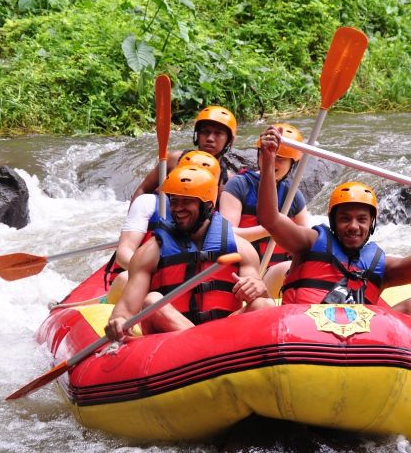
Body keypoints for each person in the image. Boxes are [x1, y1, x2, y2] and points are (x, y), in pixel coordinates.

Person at [255, 125, 411, 319]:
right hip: (301, 335)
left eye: (362, 219)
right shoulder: (309, 243)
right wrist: (268, 162)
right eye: (345, 219)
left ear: (372, 223)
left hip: (361, 348)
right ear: (333, 222)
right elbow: (270, 218)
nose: (354, 226)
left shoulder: (381, 267)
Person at [106, 165, 274, 341]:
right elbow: (124, 311)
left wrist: (260, 289)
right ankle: (203, 345)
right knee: (152, 301)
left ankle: (207, 347)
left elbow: (258, 297)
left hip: (223, 335)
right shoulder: (150, 252)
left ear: (208, 205)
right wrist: (118, 321)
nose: (178, 208)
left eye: (187, 201)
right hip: (170, 341)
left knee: (264, 304)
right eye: (174, 201)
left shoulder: (241, 249)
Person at [104, 150, 222, 301]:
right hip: (139, 280)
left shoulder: (210, 215)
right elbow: (123, 253)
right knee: (125, 278)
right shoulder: (147, 202)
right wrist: (157, 274)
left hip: (181, 288)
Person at [219, 123, 309, 295]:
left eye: (281, 158)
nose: (273, 161)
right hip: (243, 271)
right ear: (260, 154)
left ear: (293, 164)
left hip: (276, 274)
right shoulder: (239, 185)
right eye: (269, 155)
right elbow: (226, 234)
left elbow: (306, 243)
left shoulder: (293, 195)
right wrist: (272, 228)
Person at [130, 105, 240, 201]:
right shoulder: (173, 160)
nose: (210, 138)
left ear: (228, 141)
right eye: (205, 132)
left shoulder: (227, 181)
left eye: (218, 133)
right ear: (198, 135)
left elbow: (225, 218)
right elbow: (142, 190)